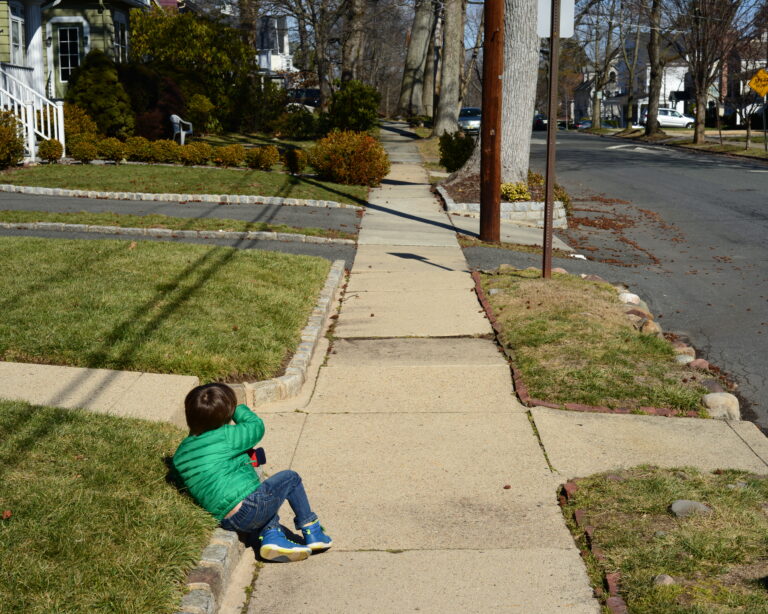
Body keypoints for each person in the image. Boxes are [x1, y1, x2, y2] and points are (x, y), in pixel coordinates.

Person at [172, 383, 331, 563]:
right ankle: (313, 531)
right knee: (289, 478)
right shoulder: (227, 435)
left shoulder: (180, 455)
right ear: (227, 414)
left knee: (262, 493)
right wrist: (237, 408)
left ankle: (273, 537)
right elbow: (256, 426)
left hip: (228, 520)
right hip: (249, 507)